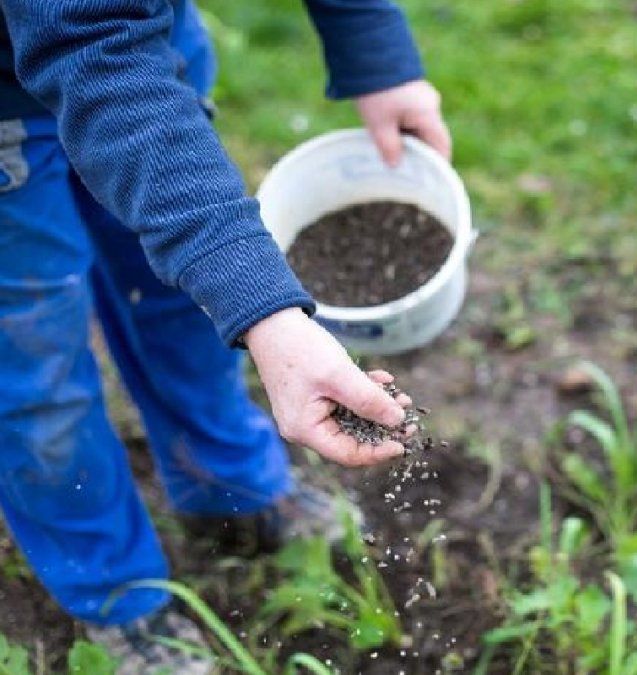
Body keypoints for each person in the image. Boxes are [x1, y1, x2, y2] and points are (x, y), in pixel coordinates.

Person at [0, 1, 450, 672]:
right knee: (39, 372)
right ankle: (114, 591)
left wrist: (373, 49)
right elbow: (94, 45)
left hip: (148, 42)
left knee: (184, 299)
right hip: (42, 86)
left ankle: (227, 483)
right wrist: (268, 312)